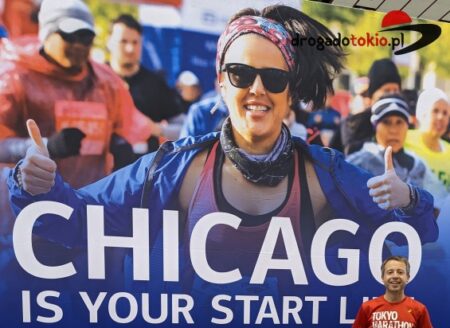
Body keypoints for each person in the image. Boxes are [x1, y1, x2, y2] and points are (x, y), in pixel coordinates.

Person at [8, 5, 438, 294]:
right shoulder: (175, 168)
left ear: (290, 93)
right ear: (220, 83)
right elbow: (79, 224)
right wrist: (37, 188)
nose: (257, 89)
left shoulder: (326, 174)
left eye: (274, 78)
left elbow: (410, 243)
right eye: (240, 74)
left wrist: (409, 201)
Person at [0, 0, 145, 188]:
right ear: (47, 34)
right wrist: (46, 146)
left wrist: (119, 142)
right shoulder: (16, 76)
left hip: (91, 198)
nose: (78, 45)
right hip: (32, 201)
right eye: (70, 35)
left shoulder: (106, 82)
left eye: (85, 37)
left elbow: (130, 126)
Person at [347, 94, 448, 215]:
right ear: (375, 126)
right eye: (386, 122)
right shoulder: (356, 163)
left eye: (399, 122)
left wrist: (413, 198)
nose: (393, 130)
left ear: (407, 126)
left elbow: (440, 203)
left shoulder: (418, 166)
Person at [107, 13, 184, 151]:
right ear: (109, 41)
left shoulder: (155, 83)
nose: (130, 48)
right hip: (100, 162)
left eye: (135, 42)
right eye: (123, 41)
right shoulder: (95, 79)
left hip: (143, 161)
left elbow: (185, 127)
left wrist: (156, 129)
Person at [331, 58, 401, 155]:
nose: (392, 95)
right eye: (386, 90)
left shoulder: (404, 122)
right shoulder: (354, 124)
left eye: (396, 90)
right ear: (373, 95)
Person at [405, 88, 450, 191]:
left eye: (445, 113)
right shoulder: (404, 138)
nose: (440, 117)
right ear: (423, 112)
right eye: (435, 111)